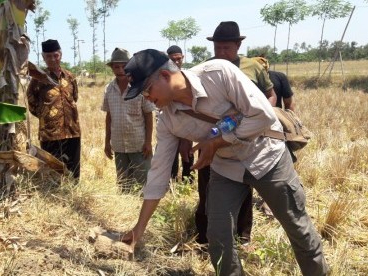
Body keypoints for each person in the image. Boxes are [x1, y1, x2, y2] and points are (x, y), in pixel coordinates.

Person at [121, 49, 328, 276]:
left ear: (165, 75)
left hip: (266, 157)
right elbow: (159, 173)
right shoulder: (168, 120)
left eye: (147, 90)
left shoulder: (218, 73)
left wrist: (217, 142)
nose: (147, 99)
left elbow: (263, 116)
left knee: (297, 227)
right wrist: (139, 229)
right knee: (218, 236)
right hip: (226, 168)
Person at [194, 21, 279, 244]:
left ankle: (243, 236)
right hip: (213, 139)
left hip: (245, 139)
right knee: (207, 186)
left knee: (243, 186)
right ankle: (205, 238)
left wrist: (264, 116)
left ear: (238, 46)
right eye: (218, 48)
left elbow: (271, 95)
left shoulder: (253, 67)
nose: (221, 53)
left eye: (227, 48)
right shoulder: (206, 69)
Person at [101, 48, 155, 192]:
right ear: (112, 68)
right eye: (116, 66)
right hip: (119, 145)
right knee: (124, 184)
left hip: (139, 144)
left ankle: (144, 211)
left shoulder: (140, 87)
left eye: (124, 66)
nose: (120, 70)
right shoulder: (109, 89)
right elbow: (109, 116)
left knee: (144, 183)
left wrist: (149, 141)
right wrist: (107, 142)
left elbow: (149, 115)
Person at [27, 39, 81, 180]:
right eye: (48, 56)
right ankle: (53, 195)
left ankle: (74, 194)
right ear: (43, 57)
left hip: (72, 131)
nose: (52, 59)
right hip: (50, 133)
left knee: (73, 170)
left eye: (55, 55)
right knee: (52, 171)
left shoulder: (70, 77)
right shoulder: (38, 79)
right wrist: (46, 116)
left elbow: (74, 97)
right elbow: (31, 102)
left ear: (60, 55)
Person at [166, 45, 194, 184]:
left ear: (183, 58)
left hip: (188, 124)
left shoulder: (188, 77)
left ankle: (188, 181)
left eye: (179, 59)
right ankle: (171, 182)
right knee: (170, 155)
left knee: (188, 154)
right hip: (170, 124)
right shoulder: (164, 78)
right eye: (173, 60)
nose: (177, 62)